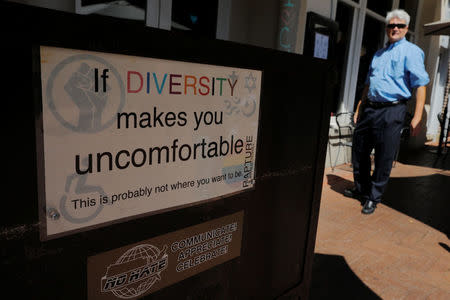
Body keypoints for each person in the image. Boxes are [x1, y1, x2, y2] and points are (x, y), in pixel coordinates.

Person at [344, 9, 429, 214]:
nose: (395, 29)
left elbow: (421, 85)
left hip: (392, 111)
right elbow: (368, 84)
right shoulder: (379, 54)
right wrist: (359, 106)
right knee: (360, 151)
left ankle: (373, 197)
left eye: (400, 25)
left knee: (383, 156)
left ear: (407, 29)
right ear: (386, 28)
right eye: (391, 25)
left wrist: (417, 117)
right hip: (370, 109)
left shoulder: (412, 51)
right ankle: (361, 189)